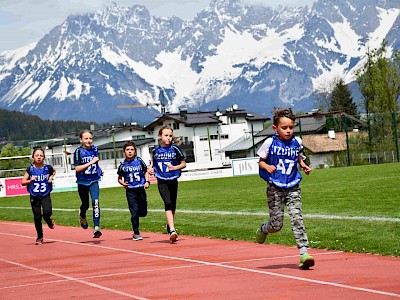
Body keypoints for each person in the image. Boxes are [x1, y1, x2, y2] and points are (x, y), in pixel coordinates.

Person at [255, 108, 315, 270]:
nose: (288, 131)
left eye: (291, 127)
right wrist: (267, 166)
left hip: (293, 185)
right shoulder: (270, 143)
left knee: (296, 218)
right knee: (277, 225)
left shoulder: (297, 142)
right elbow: (260, 161)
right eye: (284, 128)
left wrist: (304, 166)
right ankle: (264, 228)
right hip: (275, 187)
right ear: (275, 128)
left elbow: (298, 157)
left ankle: (304, 253)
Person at [149, 125, 186, 243]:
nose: (168, 138)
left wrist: (174, 167)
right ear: (160, 136)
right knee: (168, 203)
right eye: (166, 135)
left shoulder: (175, 149)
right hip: (162, 180)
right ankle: (173, 230)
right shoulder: (155, 150)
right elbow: (153, 164)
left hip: (173, 179)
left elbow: (183, 164)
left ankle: (169, 225)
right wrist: (150, 169)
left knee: (173, 205)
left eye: (170, 136)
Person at [21, 148, 56, 245]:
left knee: (47, 212)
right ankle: (39, 236)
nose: (39, 157)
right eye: (37, 155)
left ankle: (48, 220)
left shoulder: (48, 168)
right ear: (33, 157)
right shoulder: (30, 169)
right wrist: (30, 181)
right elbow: (23, 182)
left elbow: (53, 171)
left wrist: (50, 177)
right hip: (34, 195)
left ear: (44, 157)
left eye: (41, 155)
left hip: (45, 194)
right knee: (37, 217)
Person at [117, 140, 150, 241]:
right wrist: (124, 184)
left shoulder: (139, 161)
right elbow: (119, 179)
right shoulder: (122, 165)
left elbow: (146, 171)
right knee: (134, 212)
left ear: (135, 151)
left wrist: (147, 181)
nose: (130, 151)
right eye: (127, 150)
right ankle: (136, 232)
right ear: (124, 152)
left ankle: (138, 215)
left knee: (143, 212)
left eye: (132, 149)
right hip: (130, 191)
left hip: (140, 189)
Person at [74, 130, 103, 238]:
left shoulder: (95, 149)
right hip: (82, 182)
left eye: (90, 138)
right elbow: (77, 168)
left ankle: (96, 227)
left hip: (94, 180)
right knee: (85, 204)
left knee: (95, 202)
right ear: (81, 140)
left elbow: (96, 164)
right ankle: (82, 214)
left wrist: (99, 170)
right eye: (86, 138)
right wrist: (91, 162)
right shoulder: (78, 151)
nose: (88, 140)